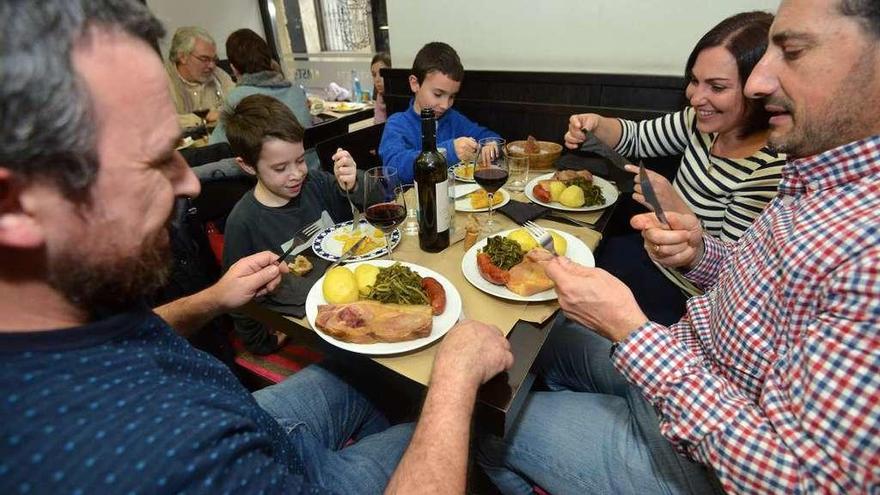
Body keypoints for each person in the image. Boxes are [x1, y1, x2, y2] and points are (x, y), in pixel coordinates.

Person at [0, 2, 513, 494]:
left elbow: (131, 335)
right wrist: (454, 381)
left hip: (251, 417)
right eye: (155, 161)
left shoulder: (71, 320)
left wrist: (213, 298)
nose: (191, 185)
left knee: (381, 378)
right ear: (16, 204)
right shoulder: (147, 460)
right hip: (275, 457)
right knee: (455, 424)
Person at [478, 0, 880, 493]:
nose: (759, 83)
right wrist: (700, 254)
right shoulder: (815, 172)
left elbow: (805, 482)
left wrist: (631, 331)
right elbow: (765, 284)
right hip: (685, 357)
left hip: (700, 455)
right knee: (527, 347)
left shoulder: (862, 241)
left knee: (487, 424)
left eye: (792, 51)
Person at [565, 11, 786, 324]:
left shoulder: (770, 170)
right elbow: (637, 138)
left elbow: (731, 274)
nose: (697, 98)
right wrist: (597, 124)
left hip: (686, 296)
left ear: (759, 89)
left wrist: (673, 204)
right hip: (648, 254)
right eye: (695, 81)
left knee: (561, 331)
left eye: (717, 87)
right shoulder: (701, 122)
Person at [221, 93, 363, 354]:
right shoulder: (244, 223)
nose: (296, 174)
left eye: (300, 160)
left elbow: (372, 207)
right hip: (308, 327)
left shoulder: (316, 184)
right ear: (248, 166)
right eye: (280, 168)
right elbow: (239, 300)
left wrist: (355, 183)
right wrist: (265, 343)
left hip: (353, 300)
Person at [378, 41, 500, 183]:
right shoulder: (397, 124)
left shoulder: (452, 119)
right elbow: (395, 169)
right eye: (437, 94)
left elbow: (488, 136)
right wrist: (447, 153)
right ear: (415, 83)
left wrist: (490, 145)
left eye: (452, 96)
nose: (445, 105)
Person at [209, 29, 311, 146]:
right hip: (309, 162)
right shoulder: (297, 91)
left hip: (276, 163)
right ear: (270, 61)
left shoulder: (236, 98)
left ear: (233, 68)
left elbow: (217, 146)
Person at [165, 26, 235, 130]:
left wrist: (223, 113)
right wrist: (200, 120)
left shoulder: (219, 76)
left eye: (214, 60)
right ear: (183, 57)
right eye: (204, 59)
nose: (212, 66)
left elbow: (239, 104)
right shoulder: (160, 81)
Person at [371, 52, 392, 124]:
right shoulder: (379, 97)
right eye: (374, 75)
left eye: (381, 74)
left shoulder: (399, 98)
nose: (377, 79)